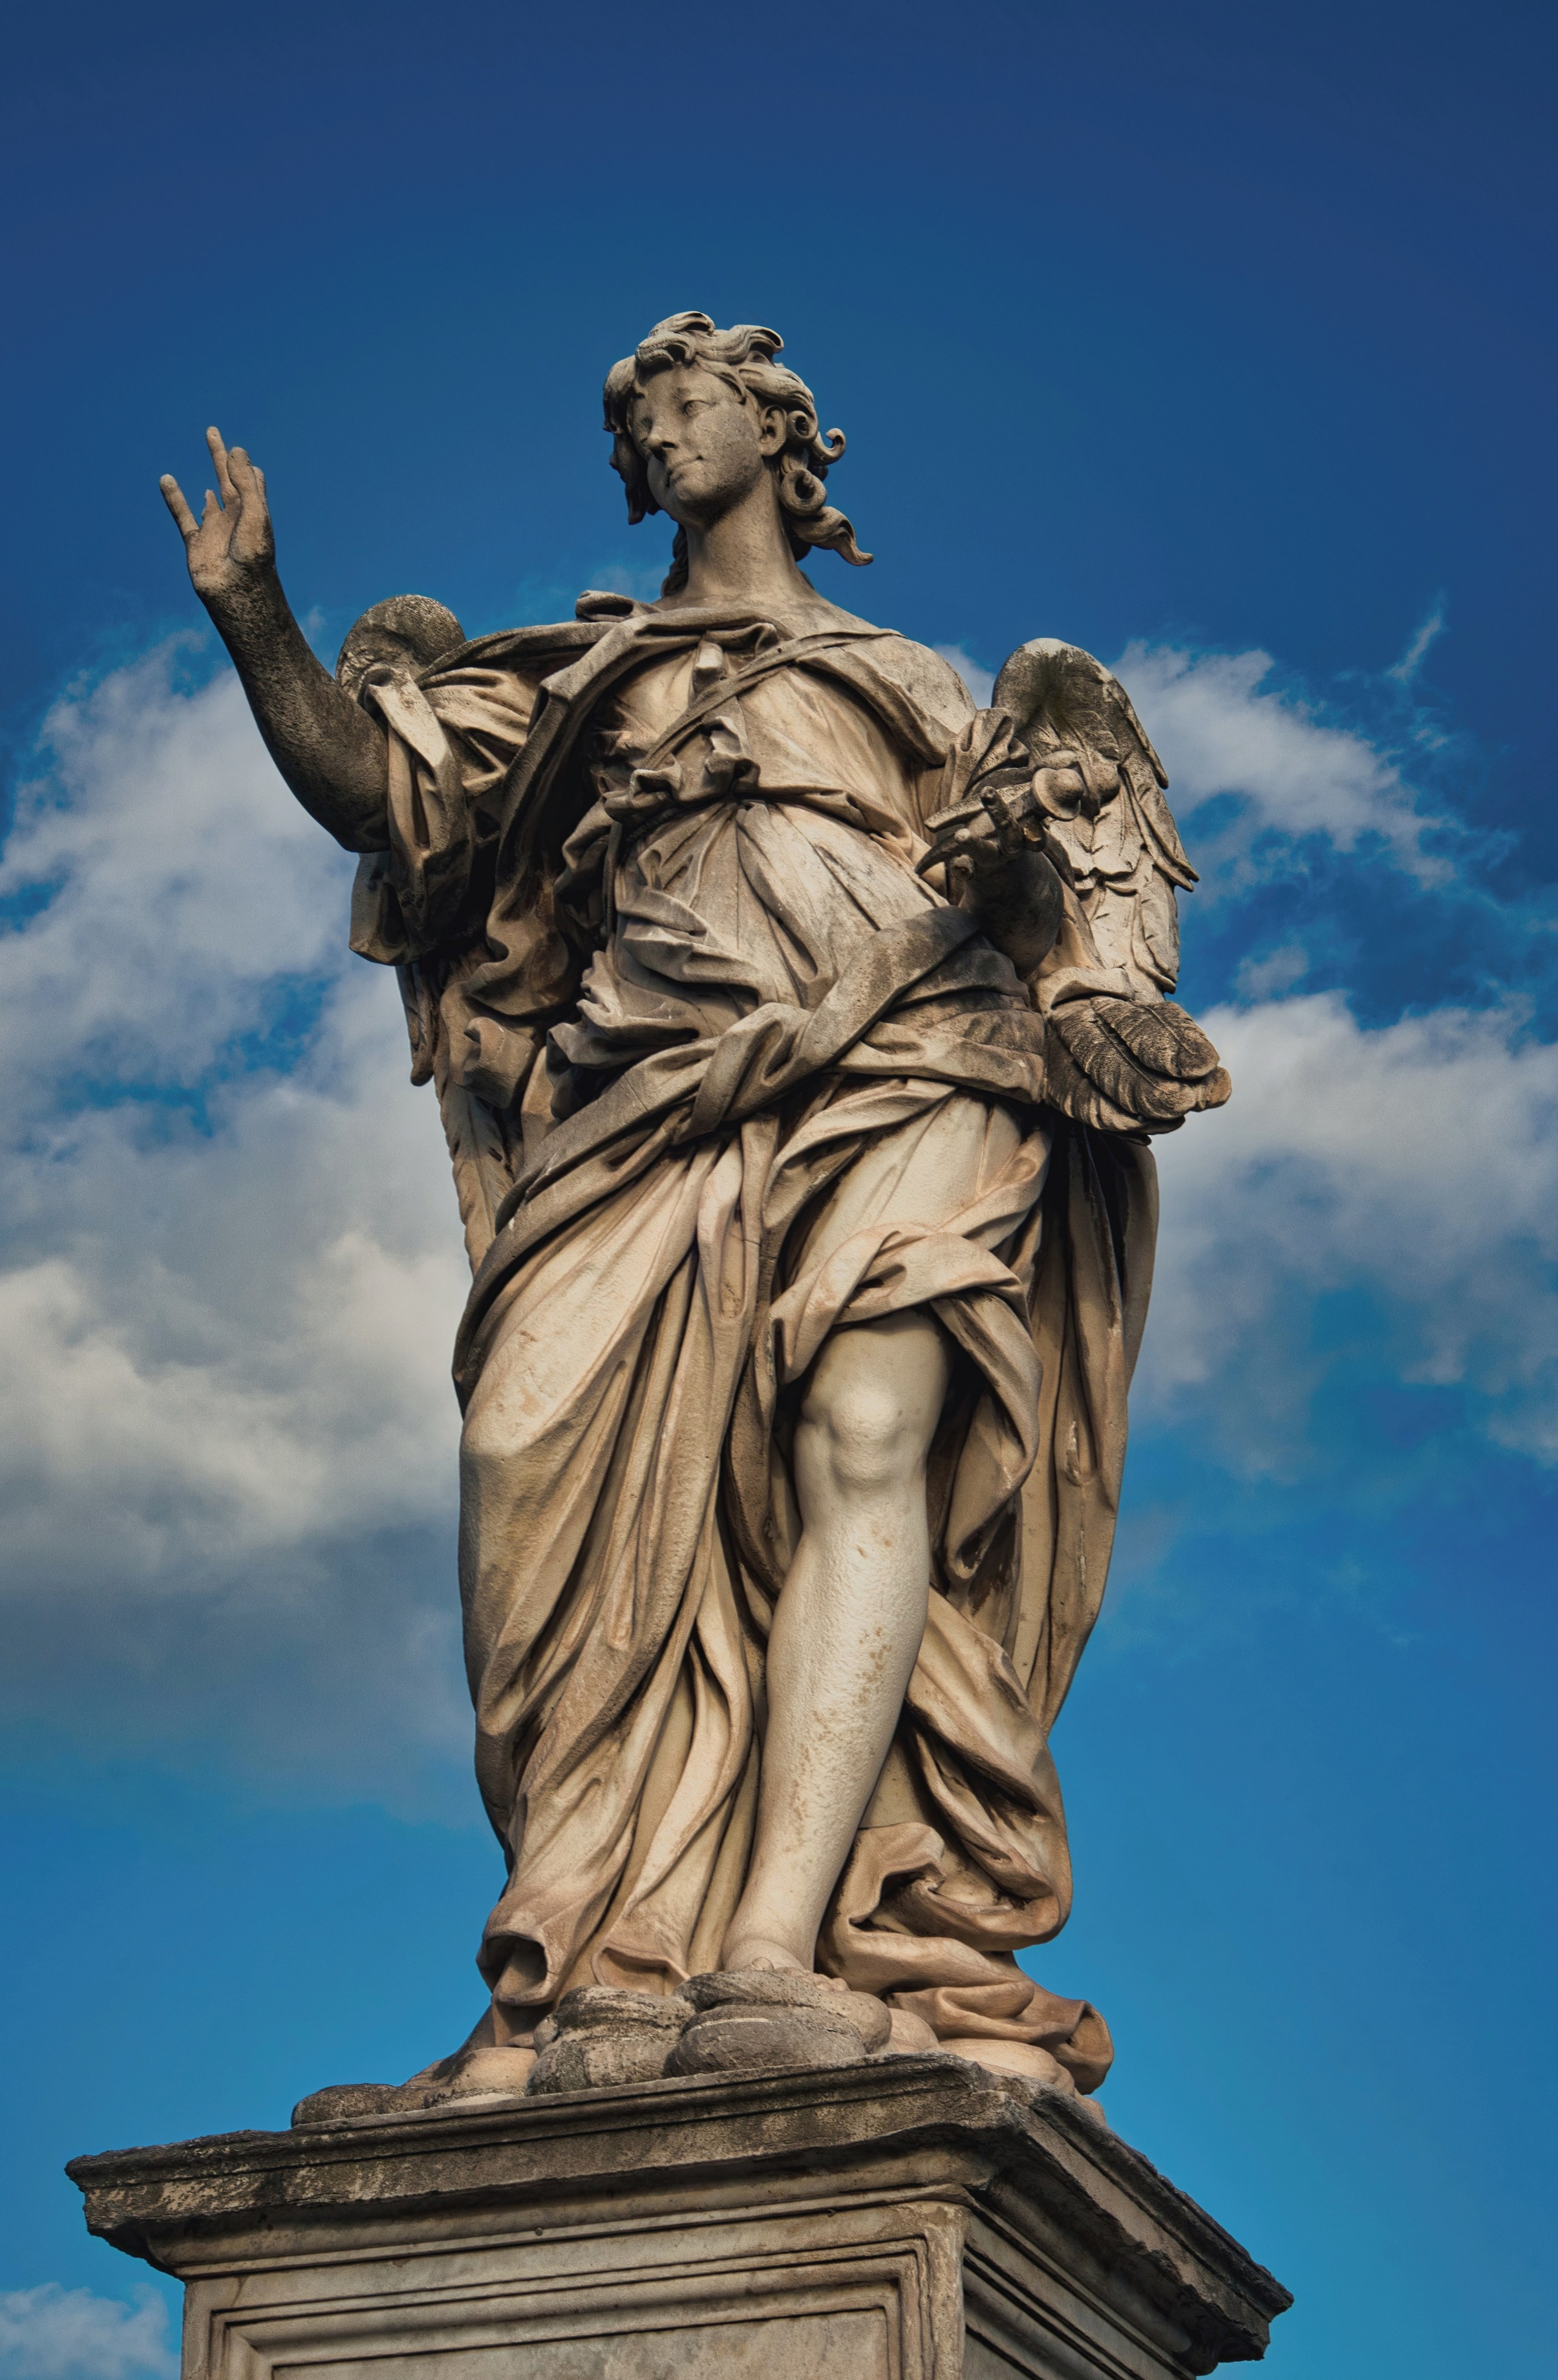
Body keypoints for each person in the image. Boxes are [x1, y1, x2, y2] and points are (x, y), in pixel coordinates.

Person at [161, 314, 1228, 2098]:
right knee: (530, 1464)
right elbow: (386, 803)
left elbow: (1061, 913)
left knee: (866, 1442)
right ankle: (584, 1964)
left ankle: (775, 1951)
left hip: (911, 1059)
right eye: (637, 421)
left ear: (783, 438)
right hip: (643, 1098)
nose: (661, 437)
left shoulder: (914, 681)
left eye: (691, 405)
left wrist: (1083, 975)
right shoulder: (573, 680)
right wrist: (255, 614)